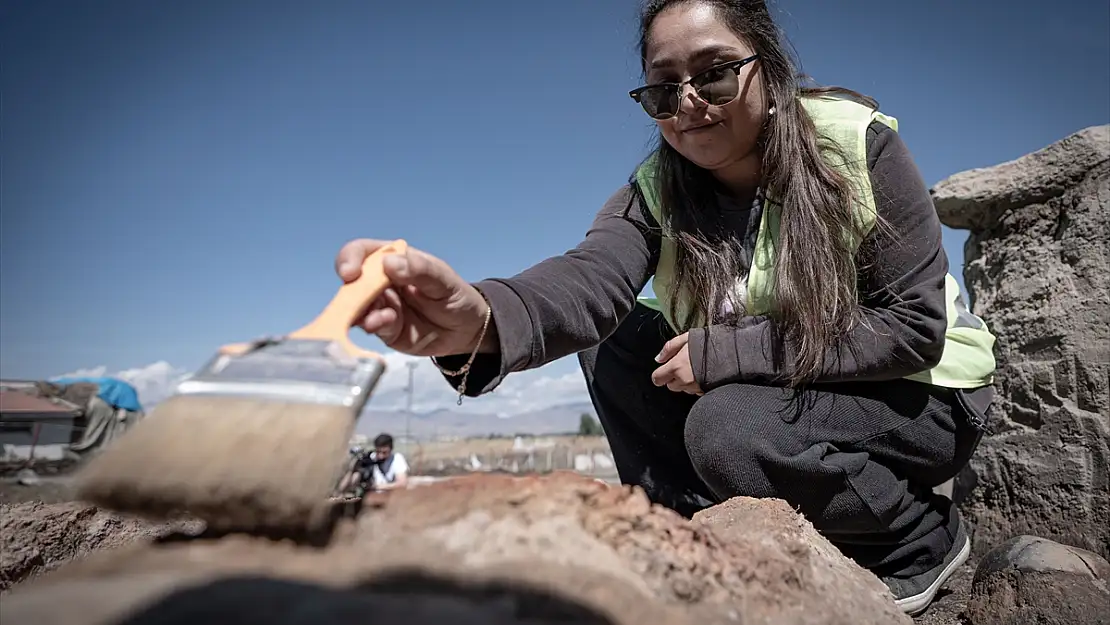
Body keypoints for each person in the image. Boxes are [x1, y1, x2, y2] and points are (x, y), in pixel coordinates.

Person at [333, 0, 996, 615]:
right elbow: (589, 279)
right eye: (662, 88)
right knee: (617, 334)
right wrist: (480, 318)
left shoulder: (856, 145)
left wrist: (729, 350)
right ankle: (689, 526)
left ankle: (916, 537)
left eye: (713, 75)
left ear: (768, 66)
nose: (687, 104)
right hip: (791, 392)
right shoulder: (654, 192)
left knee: (729, 426)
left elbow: (912, 328)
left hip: (918, 396)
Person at [341, 433, 410, 494]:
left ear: (391, 449)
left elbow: (402, 484)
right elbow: (351, 482)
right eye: (378, 452)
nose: (380, 456)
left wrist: (377, 486)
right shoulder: (370, 458)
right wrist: (354, 470)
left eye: (384, 452)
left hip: (390, 498)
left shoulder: (397, 459)